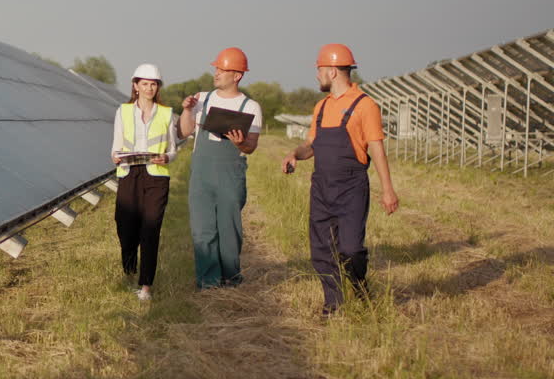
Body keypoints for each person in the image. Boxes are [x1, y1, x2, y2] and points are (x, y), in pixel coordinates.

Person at [282, 43, 399, 316]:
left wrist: (388, 190)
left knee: (351, 249)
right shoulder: (321, 107)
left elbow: (377, 149)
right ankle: (333, 303)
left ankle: (359, 285)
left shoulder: (365, 105)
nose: (317, 75)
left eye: (320, 70)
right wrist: (295, 154)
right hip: (321, 185)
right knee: (322, 250)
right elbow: (311, 145)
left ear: (332, 71)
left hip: (351, 186)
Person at [177, 47, 262, 289]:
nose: (216, 73)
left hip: (230, 175)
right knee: (202, 229)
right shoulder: (202, 99)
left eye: (222, 69)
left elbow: (251, 147)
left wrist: (240, 142)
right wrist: (187, 110)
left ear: (237, 75)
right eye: (216, 68)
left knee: (229, 230)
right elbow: (183, 132)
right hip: (201, 174)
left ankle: (231, 278)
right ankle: (208, 282)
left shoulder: (250, 107)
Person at [111, 63, 179, 301]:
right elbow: (115, 146)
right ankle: (130, 270)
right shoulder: (123, 111)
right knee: (125, 227)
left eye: (154, 84)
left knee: (151, 229)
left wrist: (166, 157)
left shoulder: (166, 113)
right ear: (136, 86)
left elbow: (173, 149)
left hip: (156, 177)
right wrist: (116, 156)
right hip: (129, 173)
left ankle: (146, 285)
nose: (150, 88)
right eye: (145, 84)